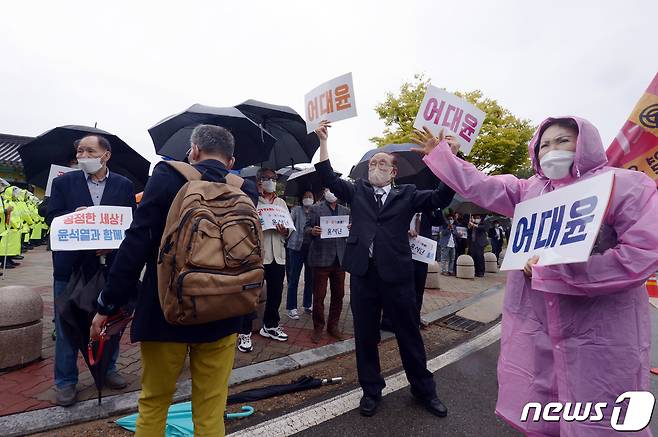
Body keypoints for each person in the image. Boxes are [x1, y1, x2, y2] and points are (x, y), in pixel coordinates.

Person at [416, 117, 658, 436]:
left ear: (586, 144)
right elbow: (482, 185)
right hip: (538, 326)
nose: (552, 150)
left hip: (601, 330)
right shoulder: (530, 190)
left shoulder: (624, 185)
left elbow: (643, 250)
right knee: (543, 411)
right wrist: (445, 156)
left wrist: (562, 269)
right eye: (544, 144)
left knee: (601, 419)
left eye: (562, 141)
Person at [90, 125, 258, 436]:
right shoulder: (245, 188)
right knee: (210, 407)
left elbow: (136, 243)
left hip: (167, 311)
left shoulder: (167, 176)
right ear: (231, 162)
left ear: (193, 151)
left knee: (155, 401)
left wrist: (108, 303)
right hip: (225, 309)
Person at [314, 121, 455, 418]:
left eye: (382, 163)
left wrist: (450, 159)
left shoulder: (408, 194)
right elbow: (327, 175)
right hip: (364, 275)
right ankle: (371, 391)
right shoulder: (357, 192)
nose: (375, 165)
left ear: (393, 172)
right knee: (366, 336)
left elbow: (440, 198)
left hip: (398, 277)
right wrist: (324, 141)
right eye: (372, 162)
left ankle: (423, 390)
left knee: (409, 334)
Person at [46, 134, 136, 406]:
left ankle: (108, 369)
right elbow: (51, 218)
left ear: (106, 155)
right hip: (71, 268)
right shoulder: (63, 183)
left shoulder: (123, 185)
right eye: (80, 151)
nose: (83, 155)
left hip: (109, 267)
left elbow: (129, 224)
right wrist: (74, 215)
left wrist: (112, 246)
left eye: (90, 151)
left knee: (111, 323)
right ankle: (66, 382)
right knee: (67, 325)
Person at [238, 168, 290, 348]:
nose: (270, 181)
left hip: (278, 255)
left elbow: (289, 228)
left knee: (276, 294)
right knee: (251, 295)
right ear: (258, 180)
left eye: (273, 178)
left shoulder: (281, 202)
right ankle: (244, 332)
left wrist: (285, 231)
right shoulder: (252, 200)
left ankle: (270, 325)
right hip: (257, 256)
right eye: (266, 178)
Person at [306, 187, 350, 343]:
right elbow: (305, 229)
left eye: (334, 189)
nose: (332, 192)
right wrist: (312, 231)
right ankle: (318, 327)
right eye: (329, 189)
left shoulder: (345, 210)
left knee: (339, 294)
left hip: (340, 259)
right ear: (324, 192)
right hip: (321, 257)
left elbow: (350, 232)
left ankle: (333, 326)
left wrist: (350, 229)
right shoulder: (315, 208)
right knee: (319, 296)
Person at [285, 191, 315, 320]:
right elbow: (289, 223)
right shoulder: (296, 210)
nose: (307, 199)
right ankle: (291, 307)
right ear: (301, 198)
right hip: (295, 247)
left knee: (310, 279)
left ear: (314, 198)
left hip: (312, 249)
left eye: (310, 197)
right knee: (293, 278)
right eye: (305, 196)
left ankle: (308, 304)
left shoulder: (317, 210)